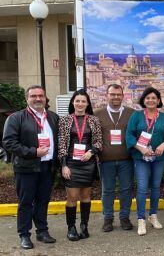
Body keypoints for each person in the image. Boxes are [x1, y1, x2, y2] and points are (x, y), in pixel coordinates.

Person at [2, 85, 59, 249]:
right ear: (27, 98)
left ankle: (42, 231)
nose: (38, 99)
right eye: (33, 96)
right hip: (26, 168)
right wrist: (34, 152)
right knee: (26, 202)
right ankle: (24, 235)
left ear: (45, 98)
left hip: (47, 167)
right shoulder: (16, 118)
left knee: (43, 201)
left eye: (40, 96)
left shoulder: (53, 117)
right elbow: (9, 142)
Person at [125, 87, 164, 236]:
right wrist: (141, 148)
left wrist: (163, 144)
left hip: (159, 158)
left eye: (154, 98)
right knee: (141, 187)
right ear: (144, 100)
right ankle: (141, 219)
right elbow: (129, 135)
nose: (151, 100)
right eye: (148, 98)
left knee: (155, 187)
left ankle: (153, 216)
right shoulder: (137, 116)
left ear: (158, 100)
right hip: (141, 158)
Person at [58, 89, 103, 241]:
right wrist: (64, 165)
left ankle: (84, 226)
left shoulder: (94, 120)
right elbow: (62, 144)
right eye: (77, 101)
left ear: (88, 103)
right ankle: (71, 228)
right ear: (72, 103)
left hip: (88, 163)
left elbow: (98, 142)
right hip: (71, 163)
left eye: (83, 101)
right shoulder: (65, 120)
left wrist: (92, 151)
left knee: (85, 195)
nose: (80, 104)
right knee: (72, 196)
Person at [94, 84, 135, 232]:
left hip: (127, 160)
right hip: (105, 160)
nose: (115, 97)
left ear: (123, 96)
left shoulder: (132, 113)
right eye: (112, 94)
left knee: (126, 190)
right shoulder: (97, 114)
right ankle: (108, 219)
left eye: (118, 94)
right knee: (107, 190)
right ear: (107, 96)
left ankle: (124, 218)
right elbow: (93, 136)